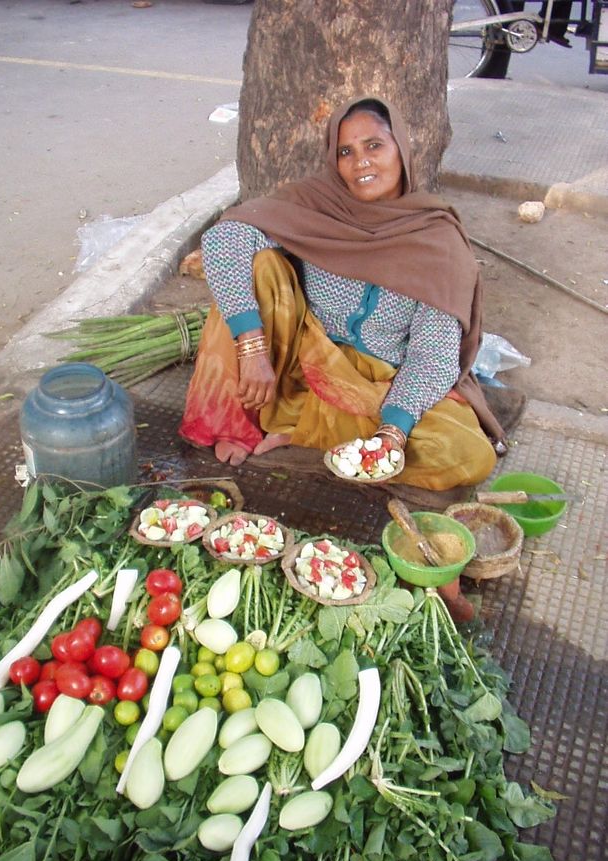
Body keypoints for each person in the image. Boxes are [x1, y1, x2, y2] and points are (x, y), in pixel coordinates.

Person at [181, 95, 503, 622]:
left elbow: (433, 352)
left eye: (374, 145)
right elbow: (223, 240)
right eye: (346, 152)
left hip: (380, 383)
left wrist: (393, 434)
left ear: (402, 148)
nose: (361, 164)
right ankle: (287, 417)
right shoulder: (316, 203)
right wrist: (252, 347)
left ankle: (307, 429)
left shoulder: (436, 239)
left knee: (467, 453)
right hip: (301, 363)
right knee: (260, 266)